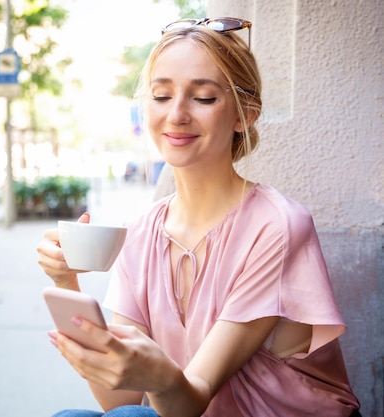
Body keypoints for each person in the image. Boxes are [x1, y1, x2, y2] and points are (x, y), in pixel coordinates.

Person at [36, 17, 361, 417]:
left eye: (203, 98)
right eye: (160, 96)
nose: (176, 115)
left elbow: (191, 399)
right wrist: (66, 282)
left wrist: (159, 377)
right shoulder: (143, 230)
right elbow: (119, 400)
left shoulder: (277, 225)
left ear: (245, 115)